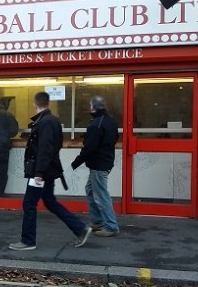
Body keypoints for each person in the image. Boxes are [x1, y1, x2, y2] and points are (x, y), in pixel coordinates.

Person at [9, 92, 92, 251]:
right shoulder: (52, 121)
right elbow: (55, 146)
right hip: (48, 170)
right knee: (50, 202)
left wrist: (39, 173)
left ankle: (28, 241)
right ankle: (80, 229)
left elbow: (45, 149)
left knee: (29, 204)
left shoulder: (45, 122)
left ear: (35, 104)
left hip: (40, 172)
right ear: (48, 103)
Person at [71, 96, 120, 237]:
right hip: (106, 161)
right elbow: (114, 138)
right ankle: (98, 221)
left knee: (101, 195)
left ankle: (111, 226)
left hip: (99, 163)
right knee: (91, 189)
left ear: (94, 108)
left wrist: (76, 162)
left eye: (90, 106)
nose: (89, 108)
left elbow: (89, 147)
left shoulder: (96, 124)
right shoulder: (110, 120)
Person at [0, 98, 19, 196]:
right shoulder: (8, 115)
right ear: (6, 105)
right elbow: (14, 131)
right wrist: (6, 135)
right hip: (3, 147)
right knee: (3, 171)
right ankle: (0, 193)